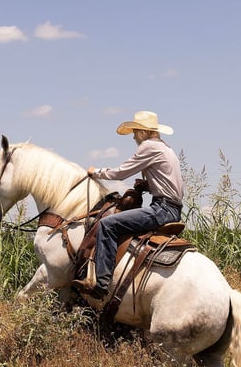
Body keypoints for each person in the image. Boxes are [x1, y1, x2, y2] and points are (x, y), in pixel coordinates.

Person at [71, 110, 184, 301]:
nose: (133, 136)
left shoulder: (149, 146)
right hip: (172, 208)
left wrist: (95, 172)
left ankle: (101, 284)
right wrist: (147, 185)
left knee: (108, 225)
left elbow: (121, 173)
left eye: (135, 132)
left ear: (143, 132)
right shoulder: (166, 148)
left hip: (162, 209)